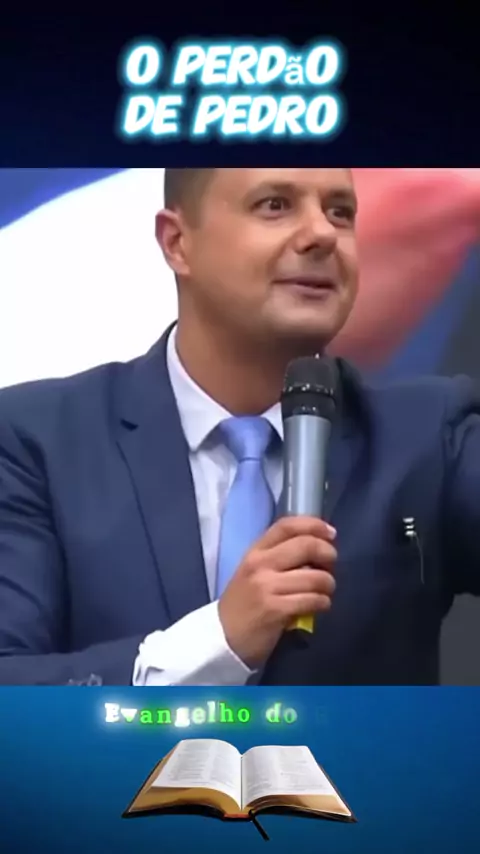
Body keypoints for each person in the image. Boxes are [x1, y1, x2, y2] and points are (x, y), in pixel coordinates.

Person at [1, 166, 480, 686]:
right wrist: (218, 642)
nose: (322, 234)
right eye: (275, 205)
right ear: (177, 242)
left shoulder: (428, 434)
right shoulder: (36, 440)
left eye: (340, 212)